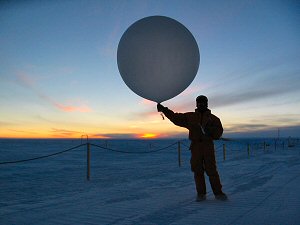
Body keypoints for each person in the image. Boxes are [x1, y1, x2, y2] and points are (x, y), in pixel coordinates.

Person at [157, 95, 227, 201]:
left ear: (207, 103)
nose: (201, 104)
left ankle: (218, 194)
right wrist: (164, 110)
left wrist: (210, 130)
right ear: (196, 104)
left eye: (203, 102)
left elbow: (218, 134)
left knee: (211, 170)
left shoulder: (214, 119)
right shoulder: (190, 117)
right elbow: (176, 118)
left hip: (208, 146)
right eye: (199, 102)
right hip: (195, 147)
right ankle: (201, 194)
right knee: (197, 170)